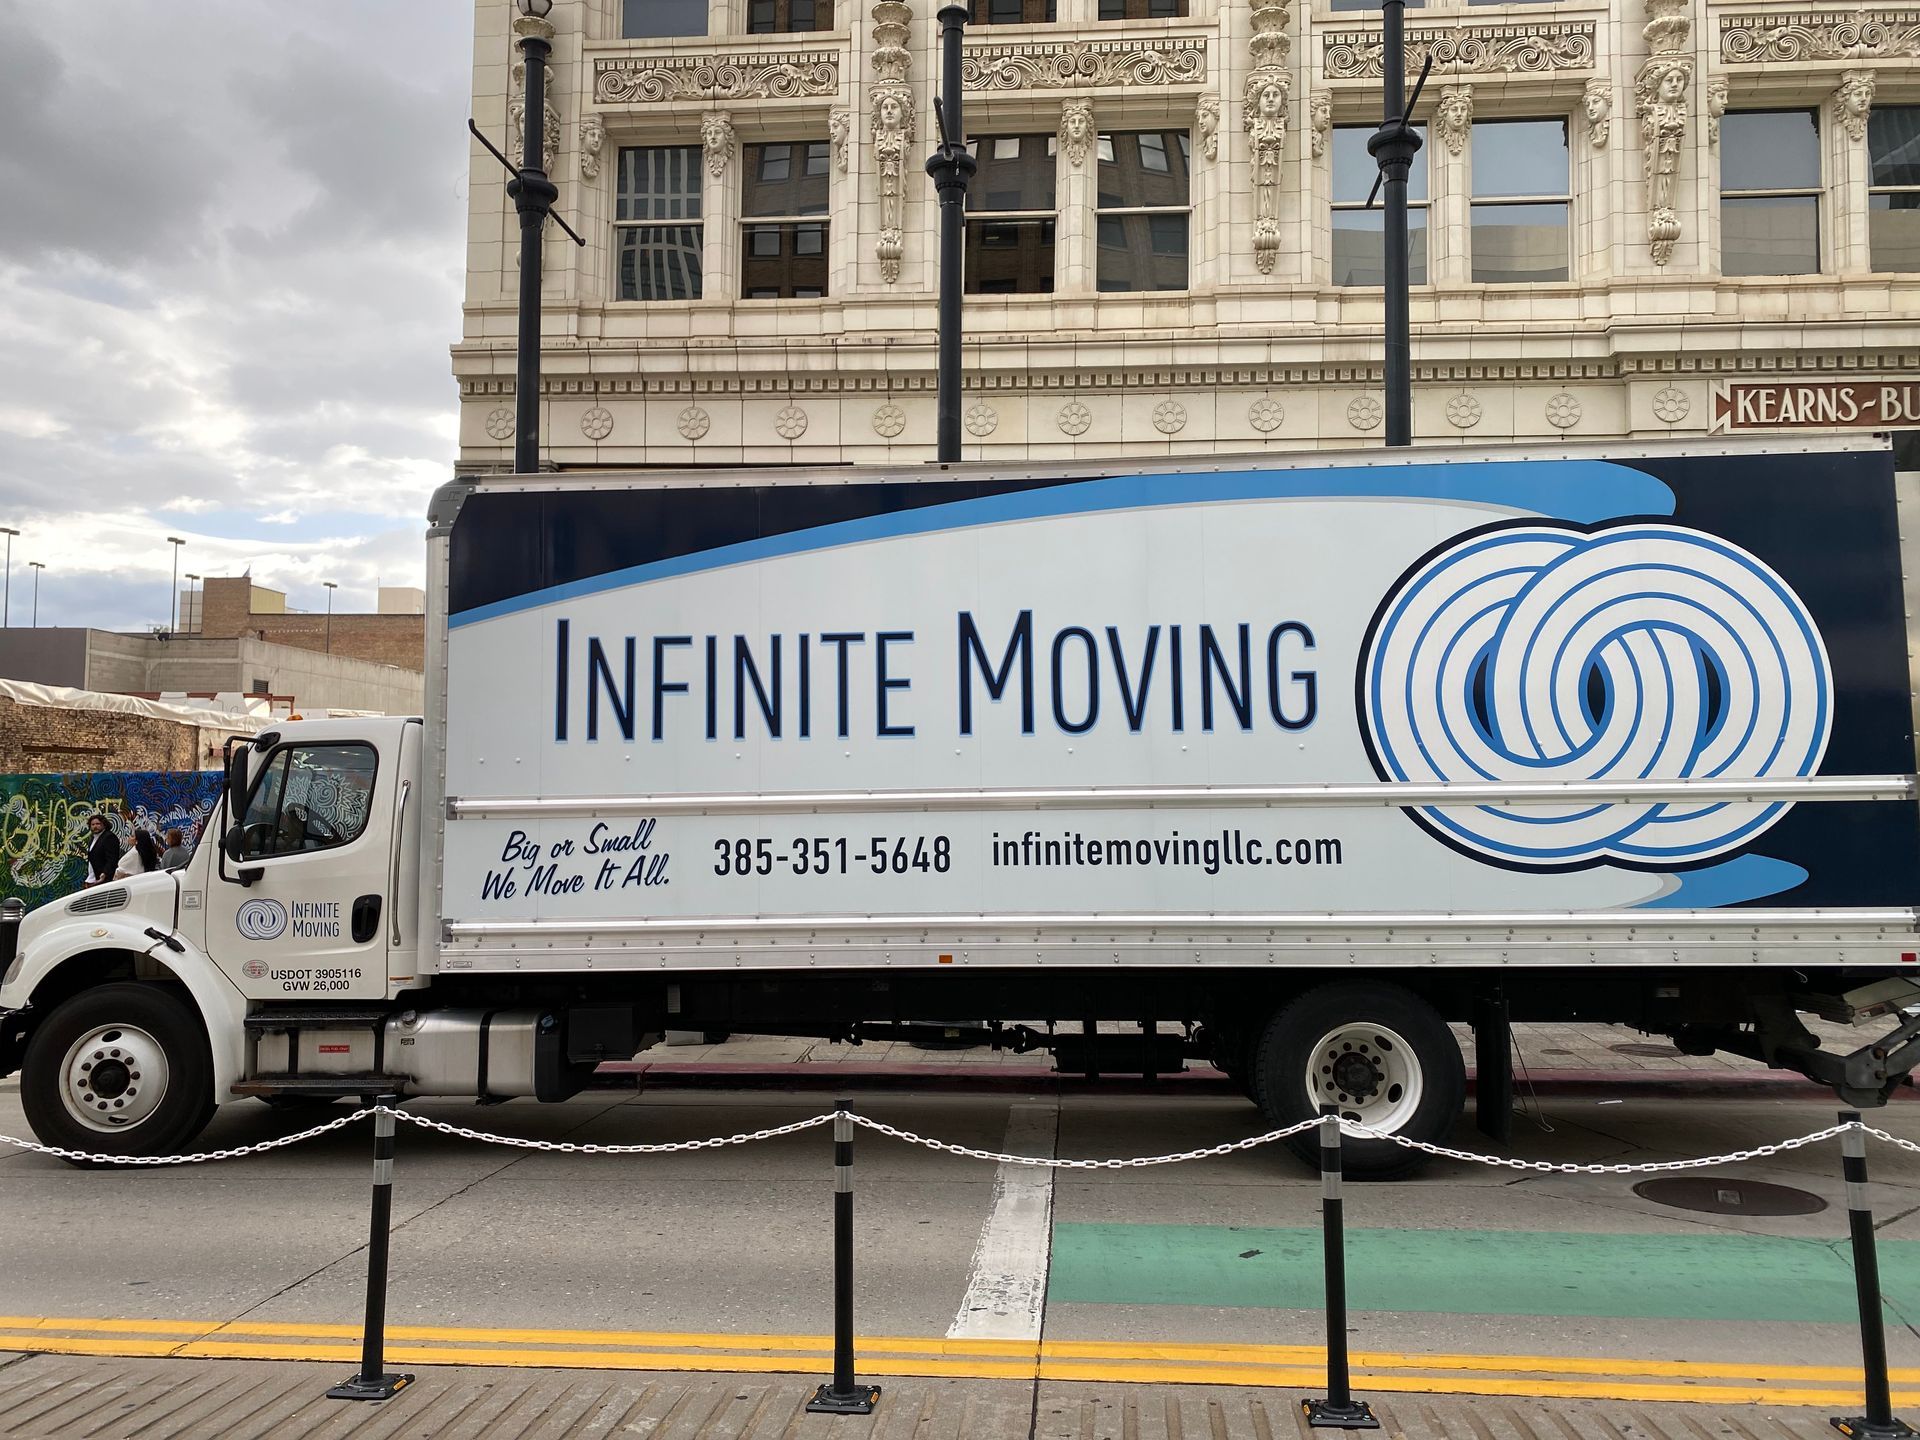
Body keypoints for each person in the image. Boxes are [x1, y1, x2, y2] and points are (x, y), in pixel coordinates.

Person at [82, 815, 121, 887]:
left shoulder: (109, 837)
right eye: (93, 824)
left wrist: (105, 873)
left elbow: (112, 858)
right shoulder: (93, 838)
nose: (95, 826)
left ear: (104, 824)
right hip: (93, 877)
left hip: (104, 879)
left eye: (98, 824)